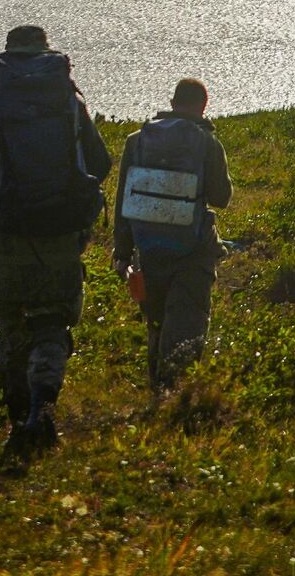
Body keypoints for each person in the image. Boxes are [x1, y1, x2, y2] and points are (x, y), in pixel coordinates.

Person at [0, 25, 112, 453]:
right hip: (61, 233)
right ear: (47, 53)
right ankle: (43, 407)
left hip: (6, 232)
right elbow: (100, 162)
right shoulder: (69, 101)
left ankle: (17, 418)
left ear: (7, 55)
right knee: (51, 321)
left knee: (10, 322)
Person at [113, 78, 232, 394]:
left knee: (156, 324)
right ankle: (175, 396)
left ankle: (156, 392)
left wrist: (122, 252)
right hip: (192, 252)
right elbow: (221, 197)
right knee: (187, 323)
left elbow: (125, 201)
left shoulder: (136, 141)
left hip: (147, 250)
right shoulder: (207, 143)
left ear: (172, 101)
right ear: (203, 105)